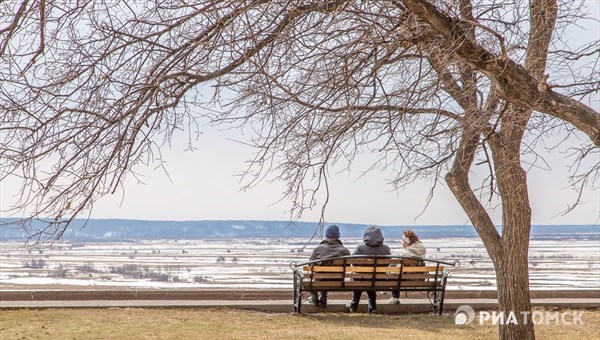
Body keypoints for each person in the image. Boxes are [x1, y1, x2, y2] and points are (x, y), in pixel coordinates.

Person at [346, 226, 391, 314]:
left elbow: (353, 263)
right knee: (370, 281)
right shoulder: (386, 249)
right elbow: (387, 264)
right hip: (379, 278)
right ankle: (372, 307)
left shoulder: (360, 248)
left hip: (361, 278)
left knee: (358, 279)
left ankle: (354, 305)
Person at [307, 224, 351, 308]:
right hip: (338, 280)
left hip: (320, 279)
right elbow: (348, 267)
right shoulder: (345, 251)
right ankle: (323, 299)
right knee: (324, 275)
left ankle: (314, 299)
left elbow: (310, 265)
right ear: (338, 235)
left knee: (317, 277)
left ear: (326, 235)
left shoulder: (318, 249)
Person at [389, 229, 427, 304]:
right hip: (420, 278)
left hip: (407, 279)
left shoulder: (406, 254)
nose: (403, 243)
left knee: (394, 276)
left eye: (404, 241)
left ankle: (395, 297)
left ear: (408, 241)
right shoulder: (422, 250)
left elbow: (397, 271)